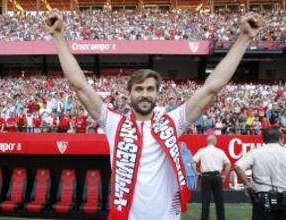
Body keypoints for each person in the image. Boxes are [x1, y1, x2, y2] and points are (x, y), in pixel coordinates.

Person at [45, 9, 262, 220]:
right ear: (129, 94)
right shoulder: (114, 122)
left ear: (157, 94)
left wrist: (244, 38)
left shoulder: (173, 122)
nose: (144, 94)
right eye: (138, 89)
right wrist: (58, 36)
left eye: (150, 89)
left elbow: (212, 87)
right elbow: (79, 85)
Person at [233, 127, 286, 220]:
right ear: (281, 138)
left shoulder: (256, 152)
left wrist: (247, 185)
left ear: (264, 139)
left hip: (262, 198)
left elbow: (238, 166)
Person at [192, 135, 231, 220]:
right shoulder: (220, 152)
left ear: (207, 141)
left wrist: (197, 172)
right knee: (219, 200)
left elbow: (193, 162)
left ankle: (204, 218)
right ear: (215, 142)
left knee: (205, 200)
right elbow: (228, 165)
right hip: (217, 177)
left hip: (205, 177)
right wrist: (224, 175)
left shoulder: (202, 151)